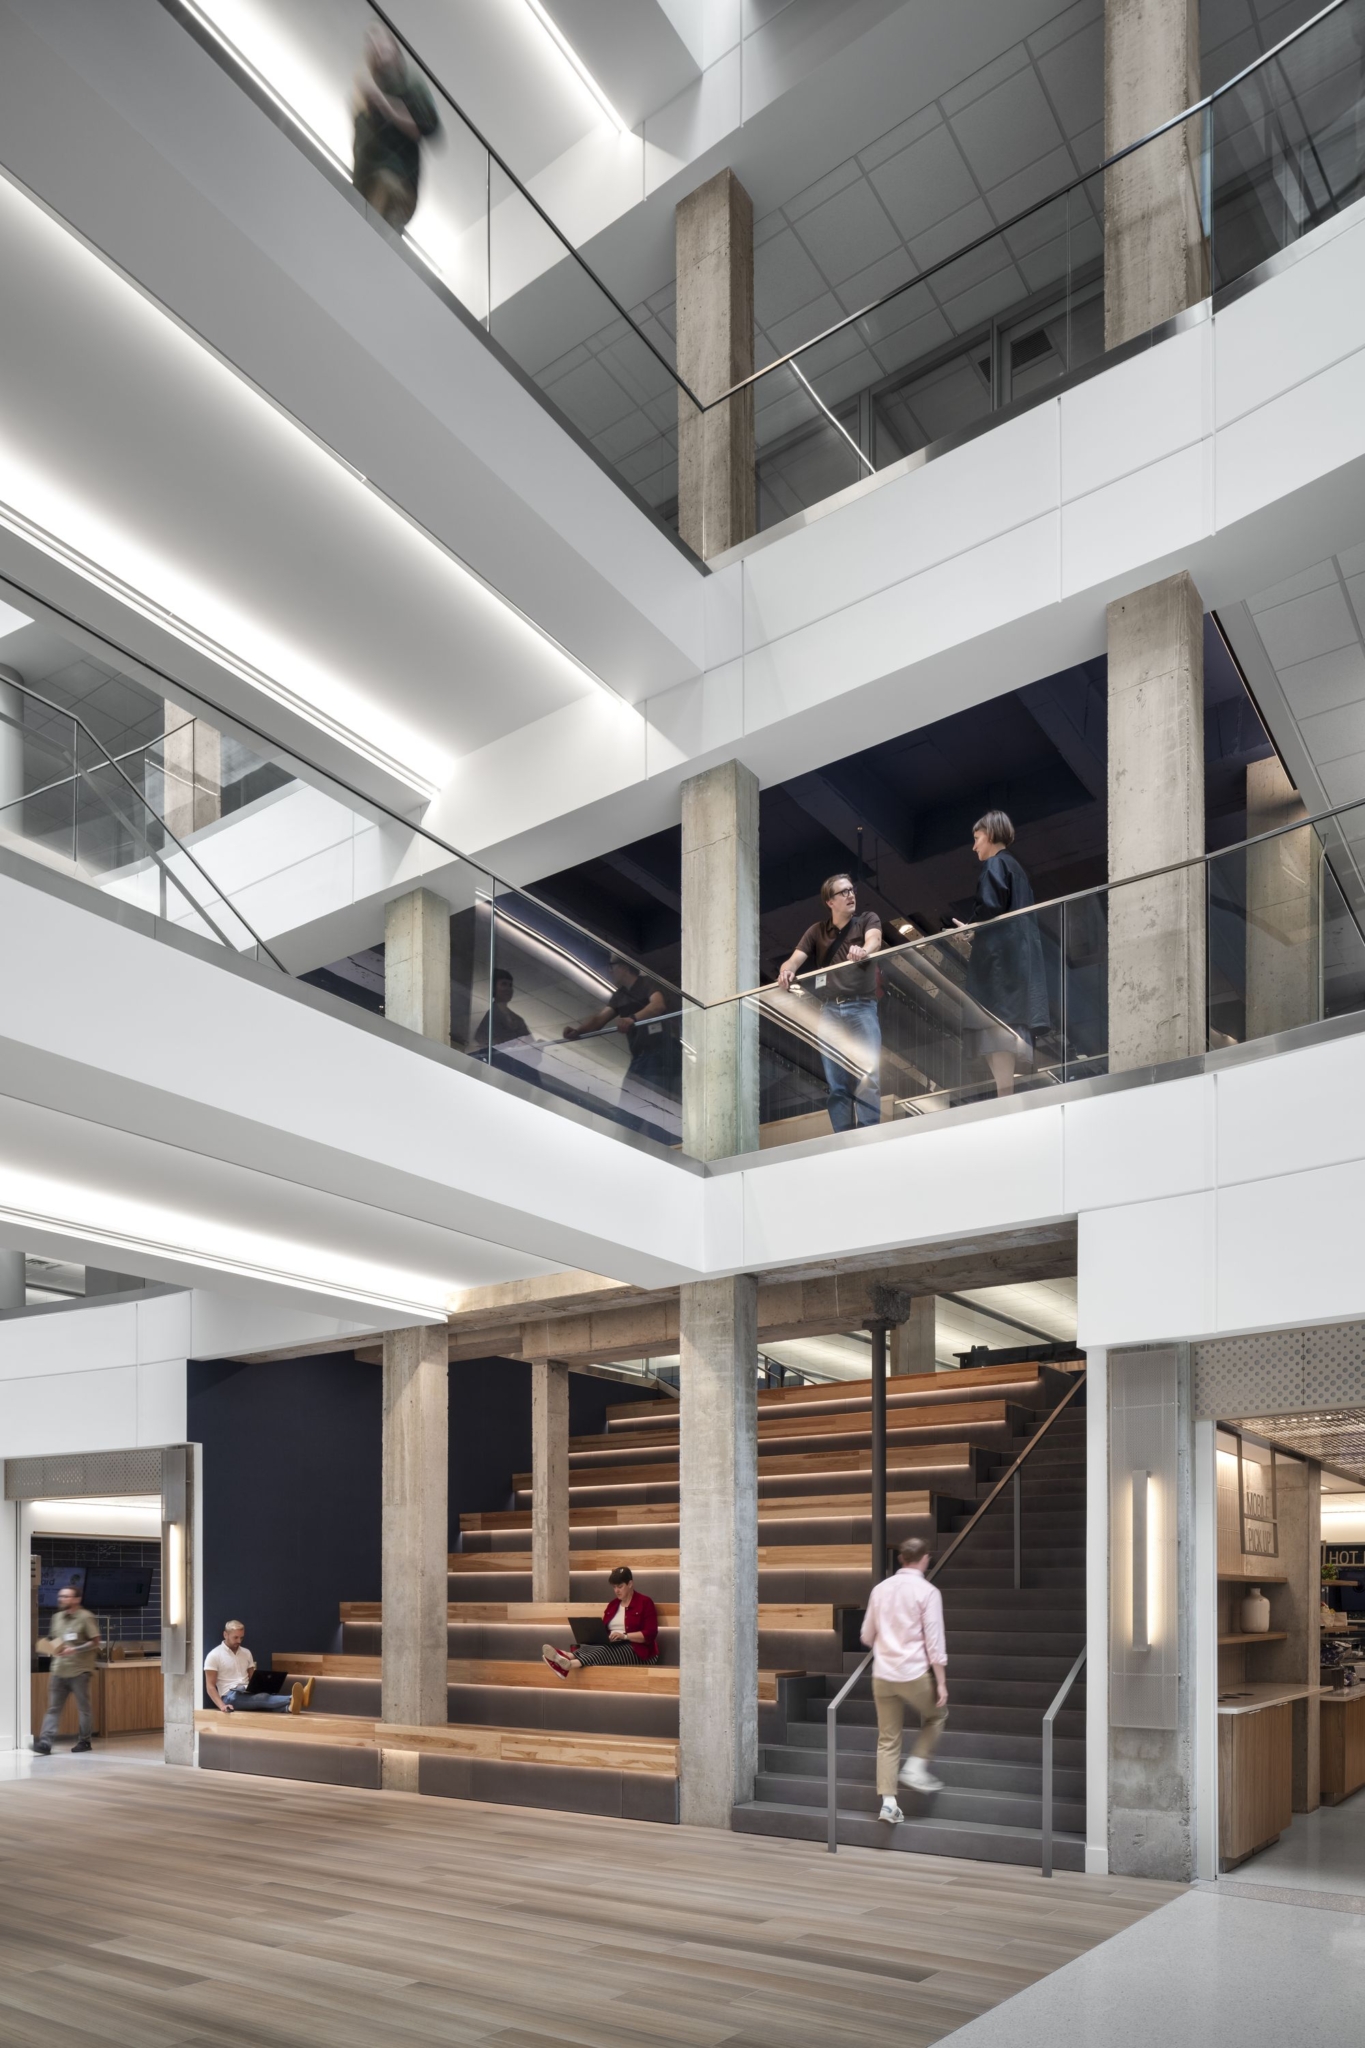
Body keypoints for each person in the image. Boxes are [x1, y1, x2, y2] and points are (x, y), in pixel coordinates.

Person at [951, 810, 1049, 1098]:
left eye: (977, 838)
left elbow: (991, 906)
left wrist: (971, 926)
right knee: (1004, 1029)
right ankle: (1004, 1092)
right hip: (1016, 959)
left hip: (999, 964)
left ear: (991, 834)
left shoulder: (996, 864)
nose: (974, 846)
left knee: (996, 1027)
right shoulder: (1016, 869)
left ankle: (1004, 1095)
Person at [777, 874, 883, 1131]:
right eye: (843, 892)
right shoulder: (817, 931)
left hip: (862, 1006)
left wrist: (864, 950)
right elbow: (793, 960)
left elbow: (875, 940)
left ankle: (869, 1133)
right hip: (830, 1011)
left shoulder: (867, 919)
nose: (850, 895)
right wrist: (786, 971)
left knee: (868, 1074)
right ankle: (843, 1137)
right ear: (830, 901)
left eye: (851, 890)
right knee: (837, 1083)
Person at [860, 1536, 949, 1824]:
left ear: (901, 1559)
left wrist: (887, 1643)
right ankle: (915, 1766)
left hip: (883, 1674)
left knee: (887, 1738)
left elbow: (866, 1635)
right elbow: (934, 1643)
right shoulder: (928, 1592)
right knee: (937, 1716)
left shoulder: (880, 1589)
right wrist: (941, 1682)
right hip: (913, 1673)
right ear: (925, 1559)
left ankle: (888, 1804)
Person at [563, 956, 681, 1135]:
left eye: (612, 966)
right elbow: (599, 1019)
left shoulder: (647, 983)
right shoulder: (620, 995)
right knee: (628, 1109)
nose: (610, 971)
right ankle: (626, 1141)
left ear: (624, 967)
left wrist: (633, 1019)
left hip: (660, 1053)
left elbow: (658, 1005)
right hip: (640, 1056)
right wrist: (578, 1031)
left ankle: (658, 1141)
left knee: (656, 1106)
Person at [352, 25, 440, 233]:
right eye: (373, 48)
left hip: (396, 186)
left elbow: (427, 128)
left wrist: (384, 104)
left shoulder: (409, 83)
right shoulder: (365, 107)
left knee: (383, 185)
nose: (377, 50)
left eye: (383, 46)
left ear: (395, 50)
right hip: (367, 188)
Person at [542, 1567, 659, 1675]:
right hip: (613, 1645)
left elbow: (650, 1634)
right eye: (614, 1587)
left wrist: (624, 1636)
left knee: (605, 1649)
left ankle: (568, 1665)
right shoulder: (613, 1605)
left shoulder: (645, 1602)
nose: (616, 1590)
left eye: (620, 1586)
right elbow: (604, 1630)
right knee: (593, 1646)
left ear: (630, 1584)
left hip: (639, 1651)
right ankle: (567, 1656)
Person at [33, 1584, 101, 1754]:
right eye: (60, 1596)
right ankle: (45, 1743)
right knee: (53, 1708)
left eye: (66, 1596)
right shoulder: (56, 1617)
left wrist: (75, 1649)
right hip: (59, 1670)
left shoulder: (86, 1617)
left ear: (77, 1599)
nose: (61, 1599)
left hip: (79, 1671)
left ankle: (84, 1741)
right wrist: (50, 1648)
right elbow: (55, 1639)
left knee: (83, 1708)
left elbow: (95, 1641)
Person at [204, 1620, 313, 1715]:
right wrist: (222, 1706)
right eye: (235, 1637)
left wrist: (260, 1687)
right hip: (229, 1696)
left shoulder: (246, 1653)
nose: (239, 1641)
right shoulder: (214, 1655)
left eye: (241, 1637)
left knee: (263, 1697)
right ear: (225, 1634)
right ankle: (297, 1698)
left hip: (247, 1691)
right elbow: (210, 1687)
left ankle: (289, 1708)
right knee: (262, 1698)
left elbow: (253, 1678)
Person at [471, 969, 531, 1054]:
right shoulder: (489, 1014)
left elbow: (529, 1043)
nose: (508, 989)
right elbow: (481, 1040)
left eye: (510, 985)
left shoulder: (518, 1020)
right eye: (504, 984)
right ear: (494, 988)